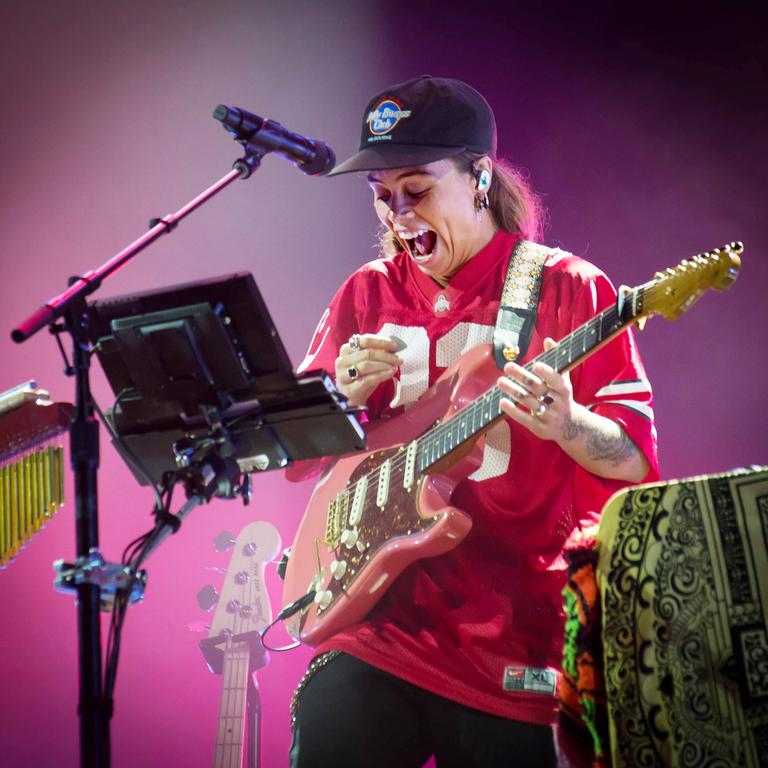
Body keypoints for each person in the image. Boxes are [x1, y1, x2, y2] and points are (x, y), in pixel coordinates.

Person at [288, 76, 659, 768]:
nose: (398, 215)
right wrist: (339, 399)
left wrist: (569, 423)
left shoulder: (570, 286)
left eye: (418, 190)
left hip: (517, 637)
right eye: (383, 196)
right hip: (380, 623)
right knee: (331, 705)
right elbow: (298, 462)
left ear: (479, 176)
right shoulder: (366, 293)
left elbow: (632, 457)